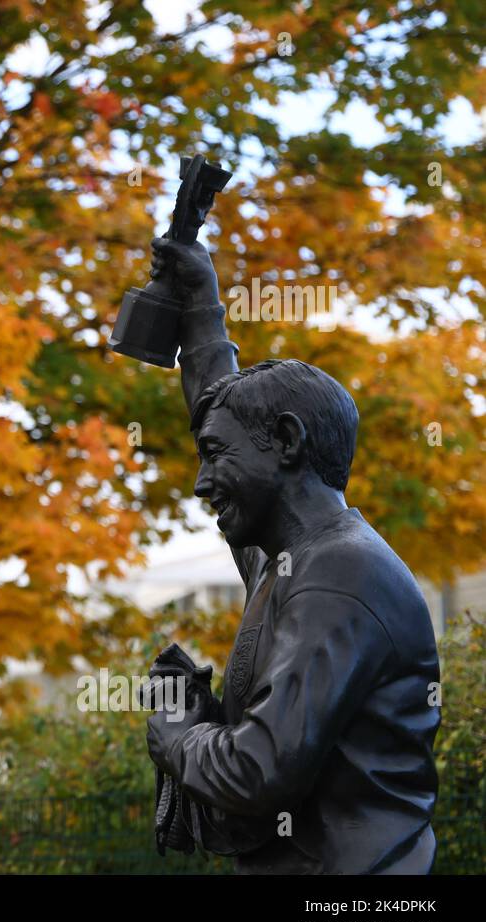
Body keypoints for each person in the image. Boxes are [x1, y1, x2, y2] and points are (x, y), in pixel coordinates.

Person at [143, 236, 441, 874]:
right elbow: (225, 406)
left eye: (216, 458)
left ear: (284, 442)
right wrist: (200, 306)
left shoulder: (339, 572)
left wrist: (177, 736)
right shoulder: (290, 559)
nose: (200, 483)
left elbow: (259, 768)